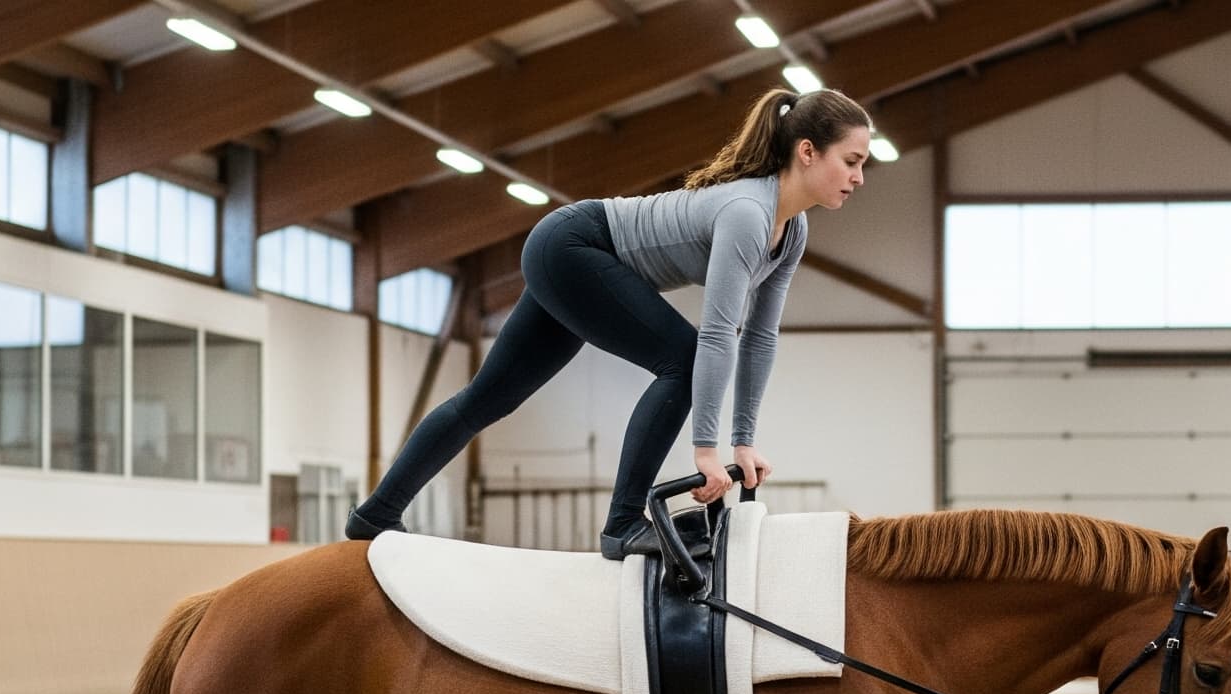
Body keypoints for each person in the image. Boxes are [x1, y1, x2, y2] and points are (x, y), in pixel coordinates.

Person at [346, 87, 871, 558]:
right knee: (683, 355)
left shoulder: (791, 230)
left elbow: (758, 336)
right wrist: (706, 450)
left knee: (488, 398)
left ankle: (374, 516)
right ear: (807, 152)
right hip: (573, 245)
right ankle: (622, 524)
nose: (858, 177)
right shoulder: (747, 214)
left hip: (583, 259)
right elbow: (717, 333)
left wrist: (744, 441)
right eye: (851, 161)